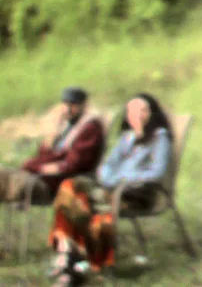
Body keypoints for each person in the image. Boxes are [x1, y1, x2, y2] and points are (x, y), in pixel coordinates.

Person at [47, 93, 173, 287]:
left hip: (135, 194)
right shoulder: (127, 138)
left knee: (80, 205)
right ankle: (72, 257)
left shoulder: (159, 137)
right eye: (132, 110)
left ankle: (69, 261)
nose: (137, 115)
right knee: (69, 186)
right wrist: (111, 180)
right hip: (109, 190)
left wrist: (119, 181)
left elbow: (156, 173)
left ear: (152, 113)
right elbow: (105, 169)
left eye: (143, 110)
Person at [0, 87, 105, 204]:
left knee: (6, 180)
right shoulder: (65, 126)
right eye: (66, 104)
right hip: (40, 176)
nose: (68, 109)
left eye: (73, 105)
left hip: (56, 184)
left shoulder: (90, 128)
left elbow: (73, 165)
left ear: (84, 106)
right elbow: (43, 155)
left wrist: (38, 167)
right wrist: (51, 138)